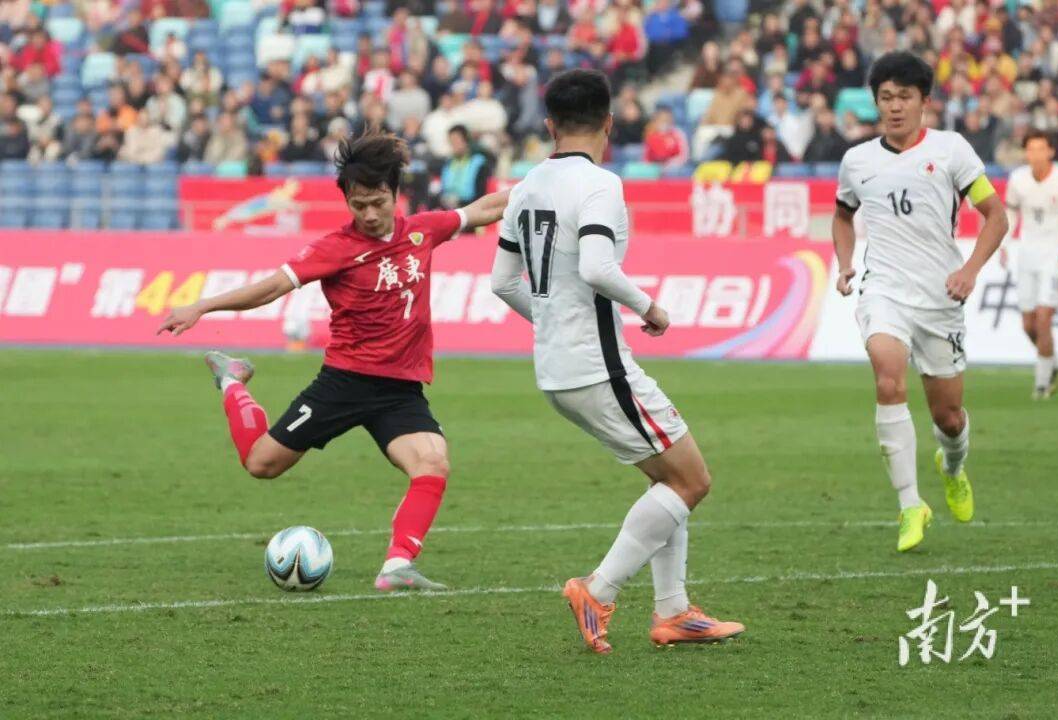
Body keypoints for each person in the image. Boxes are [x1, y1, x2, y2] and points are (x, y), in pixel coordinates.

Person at [157, 131, 509, 592]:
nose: (369, 214)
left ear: (395, 193)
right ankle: (232, 379)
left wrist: (553, 181)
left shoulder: (423, 230)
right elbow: (271, 287)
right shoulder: (335, 248)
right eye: (358, 205)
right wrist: (203, 306)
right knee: (261, 463)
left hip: (400, 390)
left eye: (378, 202)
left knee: (433, 463)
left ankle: (397, 566)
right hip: (345, 382)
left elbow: (483, 208)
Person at [489, 69, 744, 654]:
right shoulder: (600, 184)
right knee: (692, 480)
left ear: (549, 125)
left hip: (557, 368)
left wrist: (553, 320)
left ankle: (674, 611)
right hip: (597, 365)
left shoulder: (524, 188)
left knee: (667, 479)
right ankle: (598, 590)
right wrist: (650, 307)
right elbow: (597, 267)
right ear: (609, 122)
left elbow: (502, 282)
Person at [832, 52, 1008, 553]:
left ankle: (951, 466)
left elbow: (996, 216)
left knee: (948, 418)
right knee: (887, 375)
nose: (894, 107)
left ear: (924, 101)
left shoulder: (952, 151)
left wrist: (969, 271)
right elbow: (842, 216)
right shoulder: (857, 161)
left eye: (904, 97)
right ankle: (911, 504)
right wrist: (844, 263)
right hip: (884, 289)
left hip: (940, 297)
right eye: (886, 97)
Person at [1001, 129, 1058, 399]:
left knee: (1044, 319)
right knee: (1029, 325)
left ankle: (1042, 385)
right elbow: (1011, 213)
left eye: (1040, 149)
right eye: (1031, 149)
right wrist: (1004, 243)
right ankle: (1055, 361)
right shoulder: (1017, 180)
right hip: (1026, 255)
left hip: (1055, 256)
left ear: (1051, 151)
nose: (1035, 155)